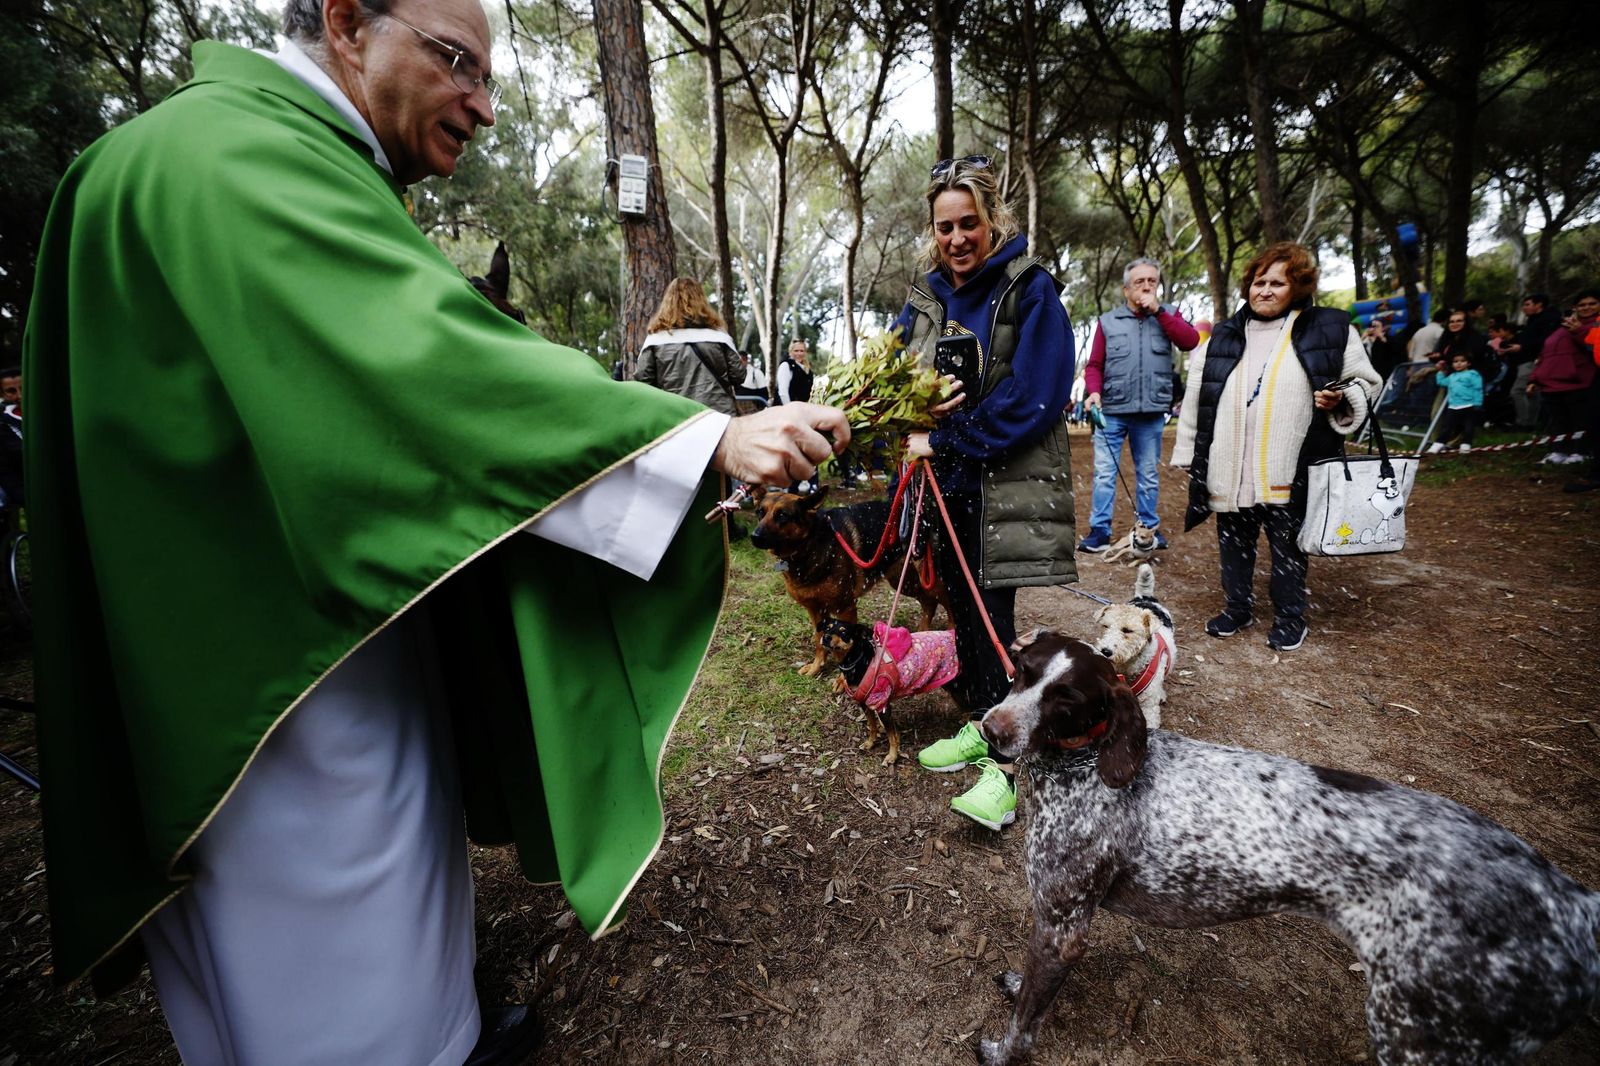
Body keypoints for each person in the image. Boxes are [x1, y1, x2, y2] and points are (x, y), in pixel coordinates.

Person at [22, 2, 850, 1063]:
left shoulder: (180, 152)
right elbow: (431, 371)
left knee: (243, 992)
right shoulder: (238, 156)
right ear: (346, 23)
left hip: (196, 673)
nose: (486, 107)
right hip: (286, 692)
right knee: (344, 980)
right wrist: (708, 438)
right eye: (458, 63)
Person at [890, 156, 1076, 831]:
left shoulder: (1031, 290)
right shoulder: (925, 297)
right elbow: (895, 377)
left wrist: (945, 439)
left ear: (993, 219)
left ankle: (1007, 772)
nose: (958, 237)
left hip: (1004, 487)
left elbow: (1037, 397)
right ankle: (981, 721)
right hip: (947, 491)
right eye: (945, 226)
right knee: (965, 615)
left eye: (970, 223)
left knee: (996, 624)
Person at [1172, 242, 1380, 653]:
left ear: (1297, 287)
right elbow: (1198, 397)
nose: (1264, 290)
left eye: (1276, 283)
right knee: (1233, 542)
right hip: (1230, 466)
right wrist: (1188, 456)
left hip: (1291, 466)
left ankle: (1290, 616)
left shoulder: (1331, 329)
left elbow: (1368, 384)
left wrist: (1342, 397)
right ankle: (1237, 607)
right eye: (1257, 282)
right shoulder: (1222, 335)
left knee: (1287, 547)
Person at [1076, 257, 1200, 553]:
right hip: (1113, 412)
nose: (1146, 286)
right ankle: (1099, 531)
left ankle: (1148, 529)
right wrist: (1093, 392)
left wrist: (1158, 312)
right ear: (1126, 289)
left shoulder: (1170, 314)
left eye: (1151, 281)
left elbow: (1190, 340)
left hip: (1151, 412)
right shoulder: (1108, 322)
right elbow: (1094, 365)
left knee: (1148, 473)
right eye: (1139, 282)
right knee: (1105, 472)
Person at [634, 277, 743, 416]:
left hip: (675, 416)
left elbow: (643, 380)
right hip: (718, 415)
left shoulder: (656, 340)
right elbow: (739, 376)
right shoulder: (719, 336)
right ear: (701, 300)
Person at [1529, 296, 1599, 465]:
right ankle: (1558, 451)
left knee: (1581, 420)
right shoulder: (1562, 327)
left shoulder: (1594, 325)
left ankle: (1581, 452)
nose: (1586, 307)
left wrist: (1580, 331)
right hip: (1553, 384)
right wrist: (1534, 378)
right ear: (1575, 307)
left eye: (1592, 304)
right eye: (1582, 304)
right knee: (1558, 420)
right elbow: (1545, 355)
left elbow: (1594, 348)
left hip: (1580, 382)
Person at [1511, 293, 1562, 429]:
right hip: (1528, 360)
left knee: (1518, 391)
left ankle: (1523, 422)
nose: (1524, 308)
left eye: (1528, 304)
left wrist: (1522, 347)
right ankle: (1530, 423)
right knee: (1532, 392)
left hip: (1535, 360)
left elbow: (1545, 341)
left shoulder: (1548, 320)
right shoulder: (1533, 320)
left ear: (1539, 305)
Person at [1424, 350, 1485, 453]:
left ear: (1468, 363)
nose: (1459, 363)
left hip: (1469, 405)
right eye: (1456, 362)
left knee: (1468, 428)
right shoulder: (1452, 376)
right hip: (1453, 407)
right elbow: (1441, 382)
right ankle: (1437, 445)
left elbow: (1478, 389)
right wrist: (1440, 372)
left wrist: (1477, 403)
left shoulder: (1473, 374)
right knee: (1447, 427)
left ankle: (1465, 446)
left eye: (1462, 361)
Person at [775, 337, 814, 405]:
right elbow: (783, 393)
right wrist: (789, 411)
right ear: (790, 352)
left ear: (805, 352)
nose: (799, 353)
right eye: (796, 350)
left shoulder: (807, 369)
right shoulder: (786, 365)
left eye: (802, 351)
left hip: (802, 409)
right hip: (786, 409)